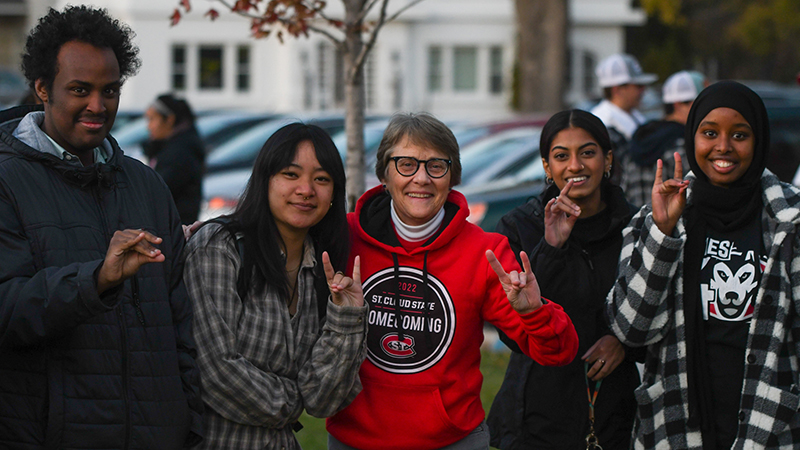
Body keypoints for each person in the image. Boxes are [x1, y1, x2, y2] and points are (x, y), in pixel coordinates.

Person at [0, 5, 203, 449]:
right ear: (41, 89)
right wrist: (96, 280)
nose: (98, 105)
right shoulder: (6, 181)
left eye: (109, 90)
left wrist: (187, 419)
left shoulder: (147, 185)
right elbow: (8, 311)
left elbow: (180, 322)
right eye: (79, 89)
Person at [326, 113, 579, 450]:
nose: (421, 178)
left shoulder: (485, 252)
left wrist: (535, 311)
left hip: (450, 439)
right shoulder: (343, 239)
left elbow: (557, 353)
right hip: (355, 438)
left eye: (436, 166)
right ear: (384, 173)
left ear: (452, 175)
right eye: (406, 164)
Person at [607, 80, 800, 448]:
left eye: (739, 135)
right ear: (692, 138)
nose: (723, 147)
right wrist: (663, 235)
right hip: (677, 423)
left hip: (771, 427)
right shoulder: (657, 218)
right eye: (709, 133)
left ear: (759, 140)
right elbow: (630, 329)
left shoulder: (789, 220)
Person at [183, 122, 368, 450]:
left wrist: (346, 319)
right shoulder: (221, 246)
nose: (306, 189)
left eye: (321, 179)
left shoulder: (321, 272)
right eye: (291, 174)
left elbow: (324, 400)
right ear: (265, 180)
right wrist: (292, 402)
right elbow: (215, 371)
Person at [486, 110, 640, 450]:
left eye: (587, 152)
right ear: (546, 166)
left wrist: (625, 342)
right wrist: (552, 245)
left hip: (616, 411)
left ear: (608, 158)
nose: (575, 166)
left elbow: (660, 306)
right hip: (538, 412)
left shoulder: (636, 226)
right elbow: (512, 329)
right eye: (561, 156)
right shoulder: (519, 227)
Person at [622, 70, 708, 207]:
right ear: (678, 104)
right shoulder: (682, 143)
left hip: (636, 222)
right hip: (669, 221)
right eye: (697, 104)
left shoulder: (640, 135)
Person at [143, 93, 205, 224]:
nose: (148, 126)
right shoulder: (171, 147)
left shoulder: (179, 153)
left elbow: (156, 193)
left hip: (175, 229)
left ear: (169, 119)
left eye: (152, 119)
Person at [591, 53, 657, 146]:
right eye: (638, 86)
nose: (643, 91)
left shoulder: (635, 115)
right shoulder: (602, 121)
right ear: (617, 90)